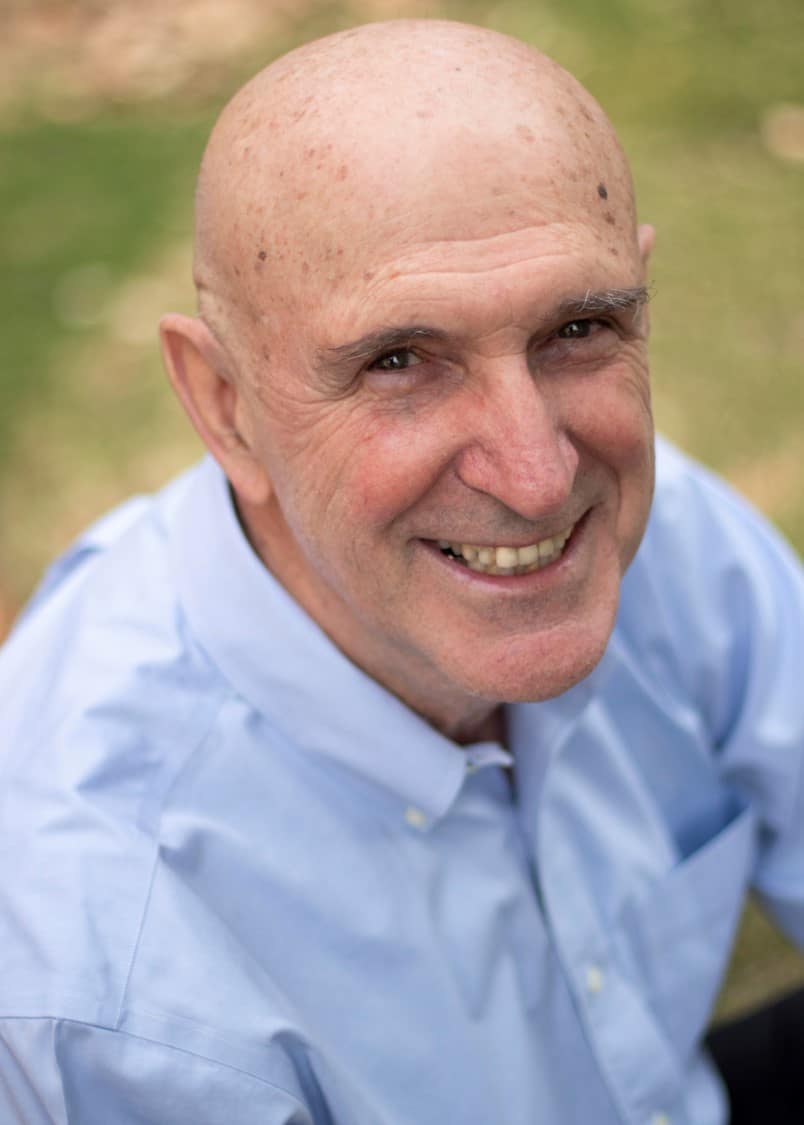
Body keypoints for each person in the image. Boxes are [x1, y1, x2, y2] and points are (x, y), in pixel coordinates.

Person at [0, 18, 802, 1125]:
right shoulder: (113, 986)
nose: (538, 477)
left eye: (577, 328)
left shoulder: (672, 538)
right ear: (224, 406)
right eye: (398, 361)